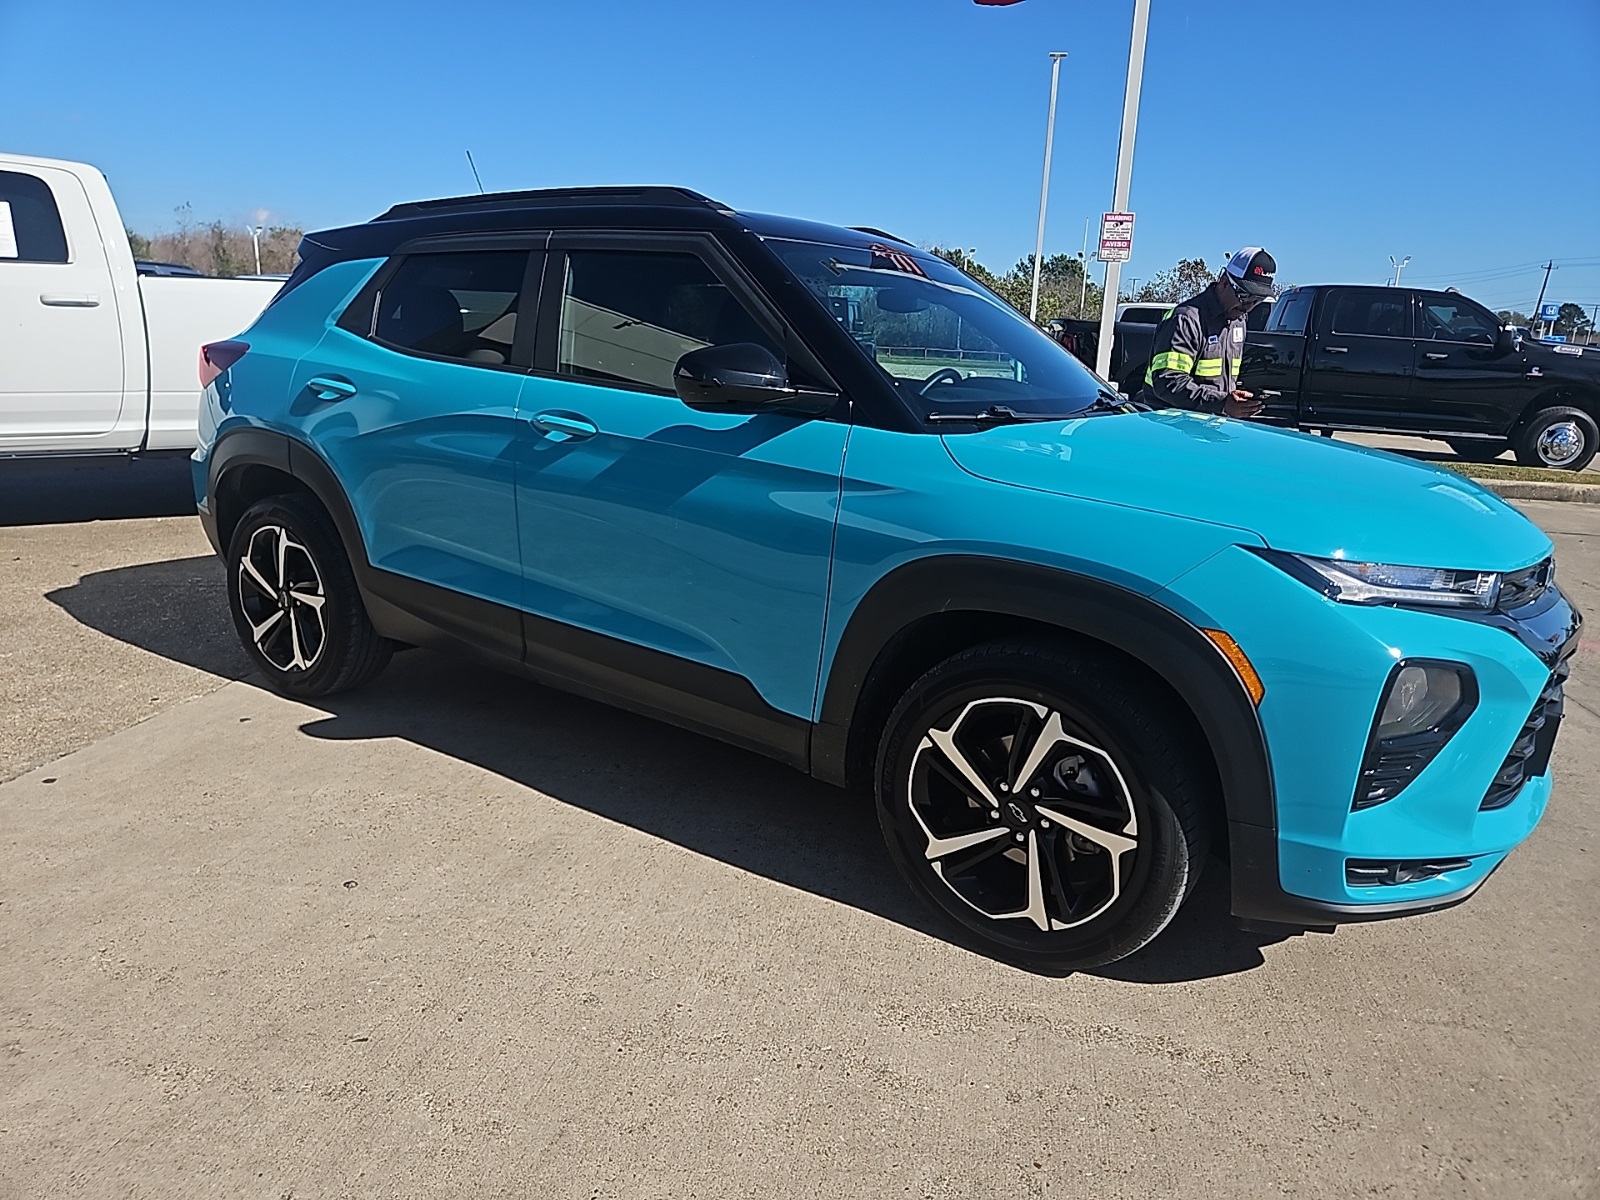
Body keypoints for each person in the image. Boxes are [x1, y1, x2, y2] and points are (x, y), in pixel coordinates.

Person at [1137, 247, 1276, 417]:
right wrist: (1221, 403)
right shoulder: (1186, 319)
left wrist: (1235, 400)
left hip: (1211, 423)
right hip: (1172, 425)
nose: (1248, 307)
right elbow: (1168, 381)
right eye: (1244, 296)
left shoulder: (1238, 321)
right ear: (1224, 282)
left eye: (1257, 300)